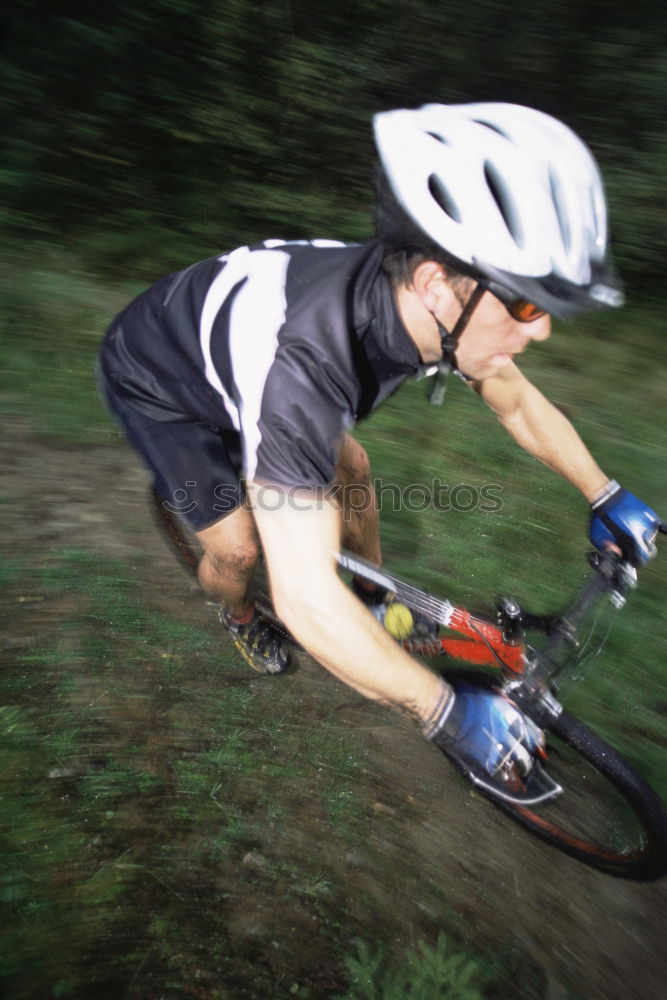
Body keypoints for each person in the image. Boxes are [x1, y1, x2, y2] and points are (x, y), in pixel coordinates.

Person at [98, 102, 660, 791]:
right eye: (524, 304)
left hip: (236, 354)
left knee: (352, 467)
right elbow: (303, 600)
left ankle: (367, 599)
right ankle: (238, 615)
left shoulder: (419, 303)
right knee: (240, 548)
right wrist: (444, 710)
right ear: (433, 285)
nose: (539, 332)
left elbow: (513, 398)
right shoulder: (303, 367)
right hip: (158, 380)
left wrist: (602, 492)